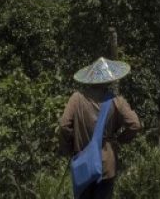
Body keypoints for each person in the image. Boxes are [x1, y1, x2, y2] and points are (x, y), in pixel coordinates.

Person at [59, 57, 142, 198]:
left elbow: (64, 125)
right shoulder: (116, 101)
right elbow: (135, 124)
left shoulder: (76, 98)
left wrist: (68, 147)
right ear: (109, 79)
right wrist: (119, 141)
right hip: (106, 166)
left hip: (83, 164)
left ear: (89, 78)